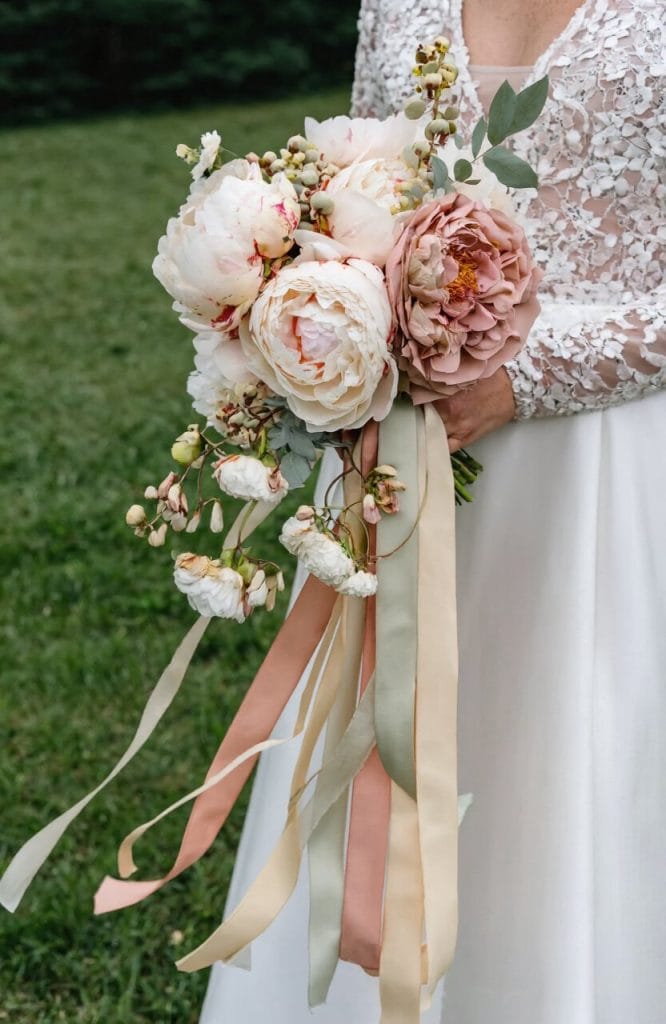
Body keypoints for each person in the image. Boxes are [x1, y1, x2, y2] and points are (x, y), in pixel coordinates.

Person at [201, 1, 666, 1021]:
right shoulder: (397, 4)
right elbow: (365, 198)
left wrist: (530, 373)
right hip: (411, 458)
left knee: (572, 758)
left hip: (609, 477)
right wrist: (335, 322)